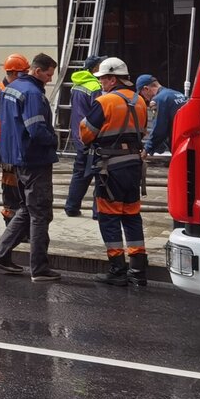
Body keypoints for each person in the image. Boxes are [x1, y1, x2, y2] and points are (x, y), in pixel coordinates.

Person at [0, 52, 61, 281]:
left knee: (27, 210)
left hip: (18, 159)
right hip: (34, 159)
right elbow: (37, 129)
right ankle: (39, 269)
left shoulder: (12, 88)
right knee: (40, 213)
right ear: (37, 71)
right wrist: (54, 139)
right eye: (48, 75)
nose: (50, 79)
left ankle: (0, 256)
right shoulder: (31, 93)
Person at [79, 57, 148, 287]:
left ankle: (117, 270)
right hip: (134, 167)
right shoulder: (140, 101)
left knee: (109, 218)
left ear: (111, 78)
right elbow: (143, 130)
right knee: (131, 215)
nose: (100, 83)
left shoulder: (105, 101)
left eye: (102, 79)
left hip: (110, 167)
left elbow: (86, 133)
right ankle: (138, 269)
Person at [0, 53, 29, 227]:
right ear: (13, 73)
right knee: (11, 190)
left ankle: (21, 227)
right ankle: (11, 225)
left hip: (17, 149)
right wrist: (0, 154)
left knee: (21, 189)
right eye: (22, 73)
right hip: (6, 151)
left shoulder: (15, 91)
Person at [63, 56, 104, 218]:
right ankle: (97, 212)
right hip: (92, 137)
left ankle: (71, 207)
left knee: (80, 174)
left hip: (79, 136)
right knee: (100, 174)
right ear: (95, 68)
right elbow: (99, 114)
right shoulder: (95, 87)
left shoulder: (77, 84)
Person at [135, 74, 185, 155]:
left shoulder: (159, 99)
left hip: (179, 145)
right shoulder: (178, 94)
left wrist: (147, 149)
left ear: (146, 89)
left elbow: (159, 129)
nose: (144, 98)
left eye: (142, 94)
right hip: (188, 141)